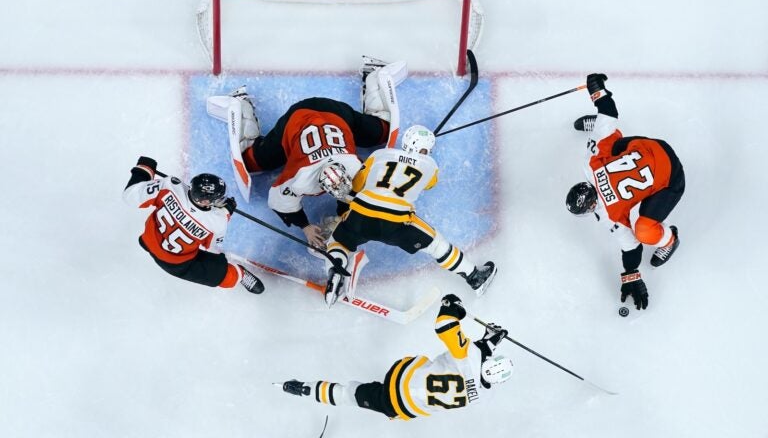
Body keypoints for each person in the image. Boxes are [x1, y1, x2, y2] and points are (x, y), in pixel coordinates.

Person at [210, 56, 406, 249]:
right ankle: (239, 103)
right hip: (298, 118)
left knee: (382, 131)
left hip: (335, 112)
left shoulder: (355, 167)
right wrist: (305, 226)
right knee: (251, 161)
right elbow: (279, 199)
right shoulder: (302, 177)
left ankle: (375, 75)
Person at [321, 124, 497, 306]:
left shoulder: (378, 155)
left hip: (361, 213)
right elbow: (429, 184)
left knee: (338, 242)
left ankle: (335, 270)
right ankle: (475, 277)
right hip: (396, 221)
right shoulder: (430, 165)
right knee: (437, 245)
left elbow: (356, 186)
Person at [280, 294, 513, 420]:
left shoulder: (471, 356)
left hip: (401, 376)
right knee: (350, 395)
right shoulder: (482, 397)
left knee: (360, 392)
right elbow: (475, 364)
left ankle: (306, 388)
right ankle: (304, 389)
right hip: (400, 407)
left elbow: (446, 326)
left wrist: (452, 304)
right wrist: (489, 341)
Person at [566, 73, 685, 310]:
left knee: (643, 230)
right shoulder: (589, 164)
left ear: (591, 207)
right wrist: (596, 89)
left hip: (672, 177)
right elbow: (609, 112)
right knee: (605, 141)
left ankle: (669, 240)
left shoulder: (608, 214)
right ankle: (596, 125)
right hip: (655, 146)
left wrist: (631, 274)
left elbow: (632, 246)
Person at [122, 156, 264, 294]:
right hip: (176, 263)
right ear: (205, 202)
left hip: (149, 240)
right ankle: (240, 274)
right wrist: (225, 213)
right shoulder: (217, 223)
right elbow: (213, 247)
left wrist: (144, 169)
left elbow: (130, 196)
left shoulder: (170, 186)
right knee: (218, 274)